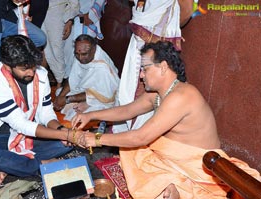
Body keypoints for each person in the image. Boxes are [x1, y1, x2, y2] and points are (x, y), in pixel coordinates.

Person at [71, 41, 261, 198]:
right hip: (171, 160)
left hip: (199, 169)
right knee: (130, 151)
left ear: (162, 67)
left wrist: (95, 139)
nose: (141, 75)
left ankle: (178, 188)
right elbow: (127, 111)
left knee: (134, 144)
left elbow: (140, 137)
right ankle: (171, 185)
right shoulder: (159, 94)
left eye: (144, 69)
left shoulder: (182, 96)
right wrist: (91, 115)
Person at [0, 35, 79, 186]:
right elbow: (21, 125)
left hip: (33, 136)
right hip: (4, 137)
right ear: (8, 66)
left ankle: (13, 163)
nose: (31, 72)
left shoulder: (40, 74)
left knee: (68, 142)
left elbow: (46, 113)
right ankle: (39, 165)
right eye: (24, 69)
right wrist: (64, 134)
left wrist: (62, 130)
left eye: (33, 66)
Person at [114, 0, 182, 134]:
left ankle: (135, 132)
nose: (141, 74)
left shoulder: (179, 97)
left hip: (155, 51)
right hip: (138, 45)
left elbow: (188, 8)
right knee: (128, 94)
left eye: (144, 71)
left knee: (138, 100)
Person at [53, 34, 120, 121]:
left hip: (104, 99)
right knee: (59, 93)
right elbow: (73, 79)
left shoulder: (102, 67)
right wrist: (61, 97)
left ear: (94, 49)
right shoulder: (80, 54)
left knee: (75, 115)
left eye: (84, 54)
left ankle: (86, 104)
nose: (80, 58)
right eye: (77, 54)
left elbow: (104, 95)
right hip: (85, 91)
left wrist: (67, 99)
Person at [42, 0, 79, 89]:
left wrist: (69, 21)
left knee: (56, 50)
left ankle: (59, 82)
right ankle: (40, 81)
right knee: (41, 49)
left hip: (57, 13)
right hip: (38, 13)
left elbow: (75, 3)